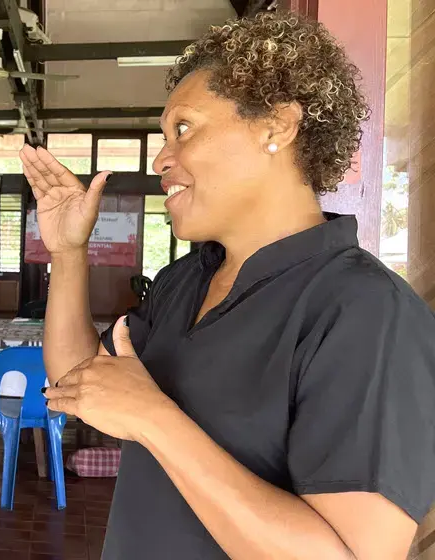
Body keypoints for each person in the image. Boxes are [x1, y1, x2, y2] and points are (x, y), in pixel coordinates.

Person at [22, 13, 435, 560]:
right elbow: (79, 384)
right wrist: (70, 254)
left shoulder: (364, 311)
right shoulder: (184, 280)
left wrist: (155, 420)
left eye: (184, 129)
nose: (161, 159)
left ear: (277, 127)